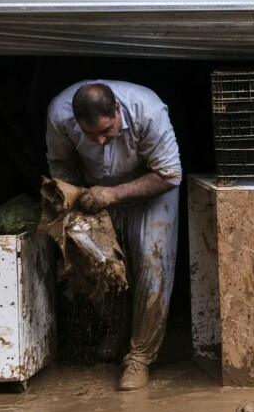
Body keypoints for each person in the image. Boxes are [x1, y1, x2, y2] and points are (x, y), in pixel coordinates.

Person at [46, 81, 182, 391]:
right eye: (90, 135)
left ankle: (140, 357)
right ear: (75, 121)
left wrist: (114, 194)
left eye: (107, 131)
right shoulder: (58, 114)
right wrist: (75, 197)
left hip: (150, 185)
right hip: (92, 189)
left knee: (152, 261)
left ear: (118, 110)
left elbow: (170, 173)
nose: (101, 141)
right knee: (88, 255)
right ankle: (120, 328)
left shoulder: (148, 110)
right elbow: (61, 164)